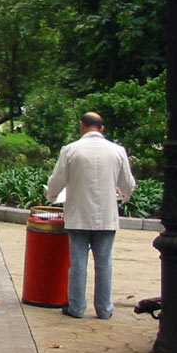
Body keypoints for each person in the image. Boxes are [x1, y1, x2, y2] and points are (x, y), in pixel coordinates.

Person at [46, 112, 136, 319]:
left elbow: (57, 179)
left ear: (82, 126)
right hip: (106, 215)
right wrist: (126, 195)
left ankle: (76, 307)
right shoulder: (117, 151)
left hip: (78, 214)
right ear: (101, 128)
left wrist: (51, 196)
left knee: (78, 263)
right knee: (104, 262)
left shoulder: (71, 150)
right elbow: (127, 183)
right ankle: (104, 309)